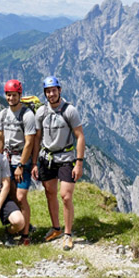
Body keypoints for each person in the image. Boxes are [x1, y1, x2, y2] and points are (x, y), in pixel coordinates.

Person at [32, 76, 85, 251]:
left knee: (66, 196)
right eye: (48, 91)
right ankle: (56, 228)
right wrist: (34, 163)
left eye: (54, 90)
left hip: (66, 158)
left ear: (59, 90)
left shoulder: (70, 111)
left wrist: (79, 162)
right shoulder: (41, 112)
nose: (51, 94)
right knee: (49, 192)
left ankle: (68, 234)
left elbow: (80, 136)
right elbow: (37, 138)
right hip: (46, 158)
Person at [0, 79, 36, 245]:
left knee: (21, 196)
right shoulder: (4, 114)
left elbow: (29, 142)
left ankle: (25, 235)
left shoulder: (27, 115)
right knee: (11, 195)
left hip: (21, 161)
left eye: (14, 95)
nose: (11, 98)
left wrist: (20, 165)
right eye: (8, 95)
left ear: (20, 95)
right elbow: (0, 138)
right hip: (6, 159)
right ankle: (16, 228)